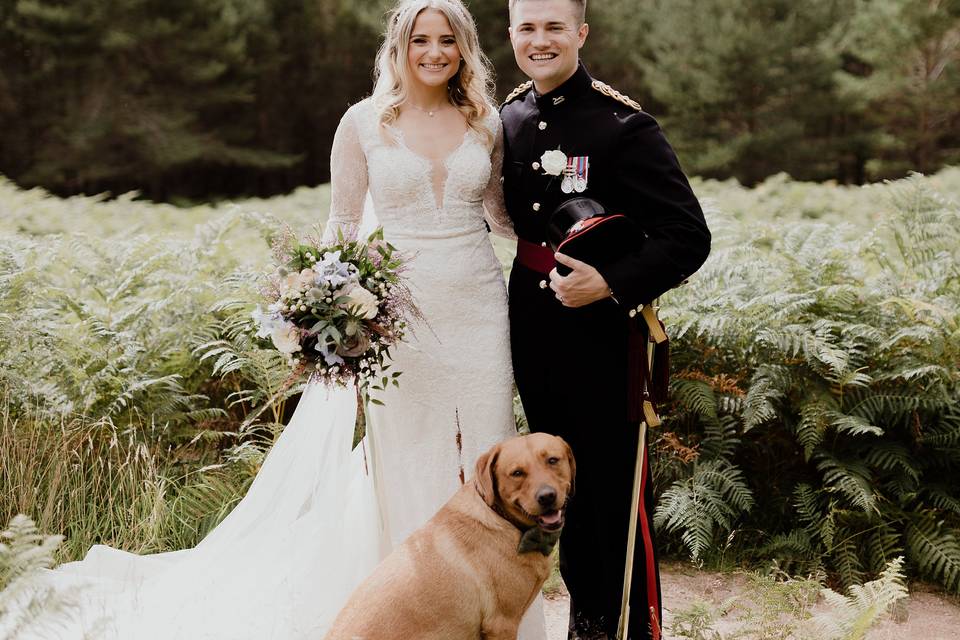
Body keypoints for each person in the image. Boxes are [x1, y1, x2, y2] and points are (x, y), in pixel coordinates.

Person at [11, 1, 545, 638]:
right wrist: (325, 310)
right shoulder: (363, 123)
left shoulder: (486, 123)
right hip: (402, 317)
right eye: (420, 40)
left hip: (479, 307)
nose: (434, 53)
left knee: (488, 443)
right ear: (398, 47)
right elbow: (342, 231)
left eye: (448, 41)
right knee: (407, 459)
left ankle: (499, 608)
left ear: (465, 49)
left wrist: (588, 238)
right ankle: (416, 614)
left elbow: (504, 216)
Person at [500, 0, 712, 638]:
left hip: (602, 336)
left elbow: (687, 235)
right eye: (527, 28)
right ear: (511, 34)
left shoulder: (623, 126)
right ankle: (584, 620)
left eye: (554, 27)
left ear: (581, 33)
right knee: (555, 490)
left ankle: (625, 625)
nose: (540, 41)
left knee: (612, 494)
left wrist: (612, 282)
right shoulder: (506, 119)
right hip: (532, 325)